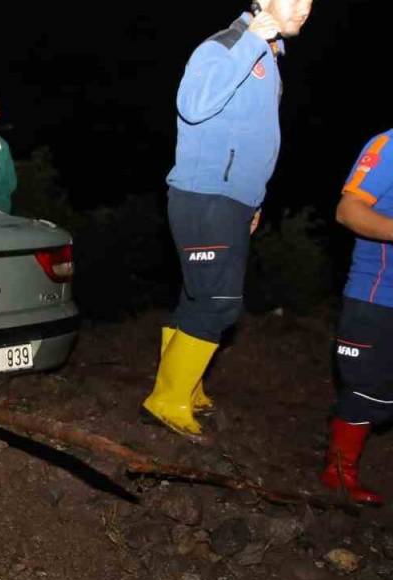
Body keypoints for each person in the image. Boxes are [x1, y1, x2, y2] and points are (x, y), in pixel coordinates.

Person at [142, 0, 312, 440]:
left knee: (199, 298)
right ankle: (166, 398)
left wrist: (253, 202)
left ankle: (187, 387)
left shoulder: (268, 58)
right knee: (219, 303)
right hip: (205, 194)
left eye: (311, 2)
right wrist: (252, 40)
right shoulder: (226, 45)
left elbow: (251, 137)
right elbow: (193, 105)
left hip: (232, 200)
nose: (305, 8)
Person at [317, 130, 393, 506]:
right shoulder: (389, 144)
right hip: (377, 297)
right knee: (367, 391)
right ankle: (339, 474)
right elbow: (348, 211)